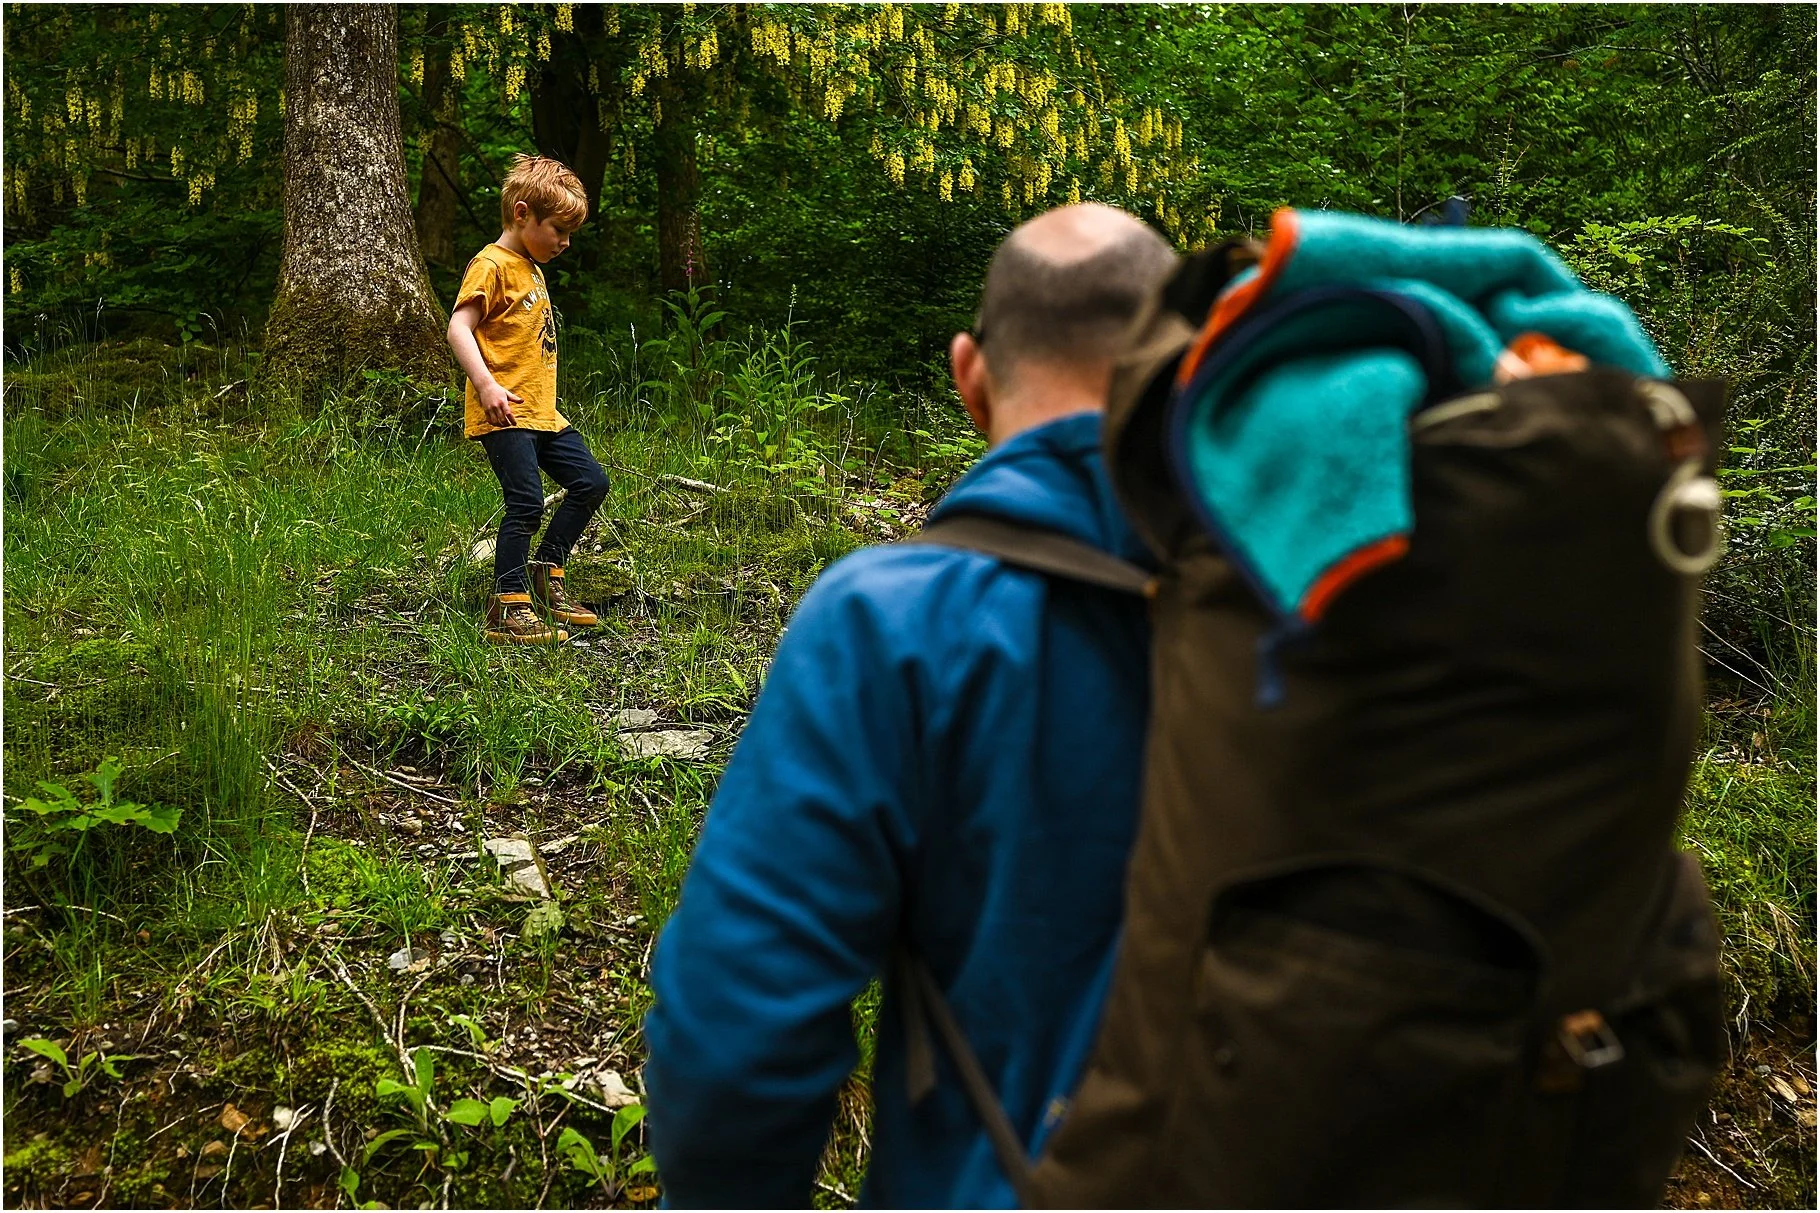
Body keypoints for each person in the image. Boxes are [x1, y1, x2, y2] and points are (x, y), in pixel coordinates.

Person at [643, 204, 1180, 1207]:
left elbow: (735, 1032)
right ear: (1188, 370)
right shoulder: (1333, 603)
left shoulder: (889, 623)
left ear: (969, 375)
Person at [448, 153, 608, 645]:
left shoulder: (531, 267)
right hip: (505, 409)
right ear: (522, 214)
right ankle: (508, 605)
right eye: (559, 230)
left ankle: (548, 574)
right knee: (526, 501)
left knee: (589, 482)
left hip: (542, 414)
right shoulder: (492, 264)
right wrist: (487, 385)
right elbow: (459, 327)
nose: (565, 243)